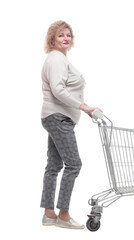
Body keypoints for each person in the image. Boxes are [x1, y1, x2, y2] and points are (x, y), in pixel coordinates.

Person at [40, 20, 99, 229]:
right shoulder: (56, 59)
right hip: (58, 117)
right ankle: (63, 215)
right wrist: (82, 106)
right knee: (74, 165)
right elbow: (58, 90)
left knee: (54, 165)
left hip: (56, 116)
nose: (66, 38)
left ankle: (49, 214)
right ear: (52, 39)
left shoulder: (59, 58)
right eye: (60, 35)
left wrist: (84, 109)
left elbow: (65, 90)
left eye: (68, 35)